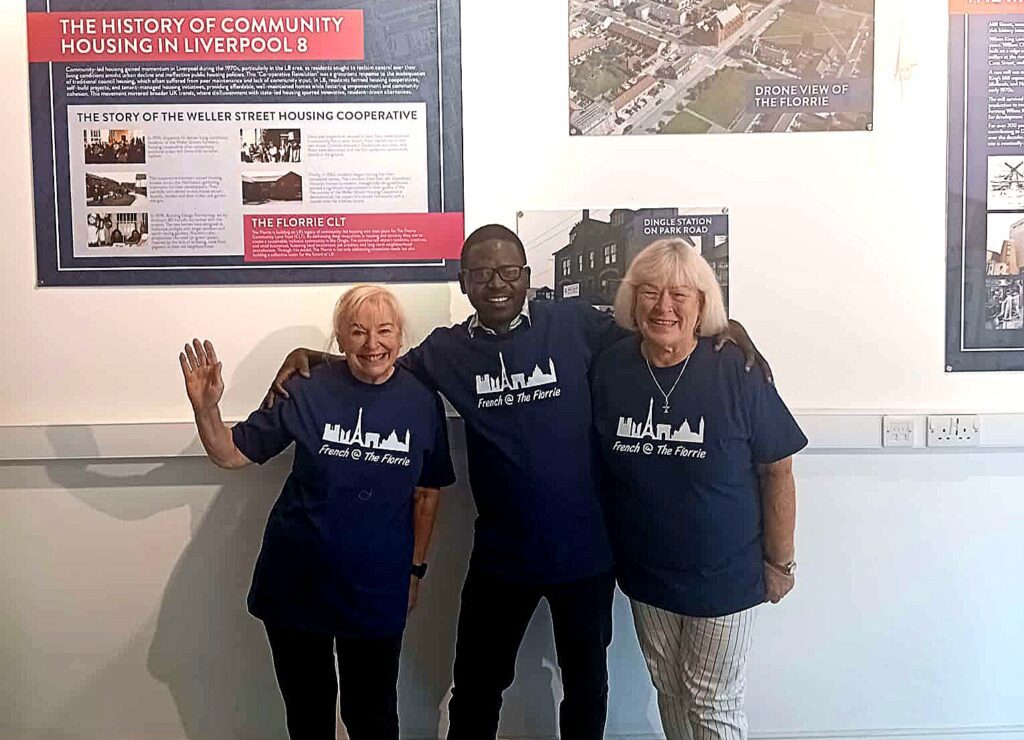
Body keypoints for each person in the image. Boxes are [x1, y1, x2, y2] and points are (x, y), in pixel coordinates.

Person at [179, 285, 455, 740]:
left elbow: (427, 492)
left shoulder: (422, 404)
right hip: (295, 584)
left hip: (376, 588)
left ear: (400, 337)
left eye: (384, 331)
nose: (372, 344)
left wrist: (415, 571)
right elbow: (230, 454)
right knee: (308, 717)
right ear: (340, 339)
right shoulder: (306, 388)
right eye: (358, 332)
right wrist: (206, 410)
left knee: (373, 717)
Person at [590, 239, 806, 740]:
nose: (663, 306)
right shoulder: (612, 366)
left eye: (680, 294)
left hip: (723, 575)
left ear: (704, 304)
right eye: (649, 292)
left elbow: (778, 469)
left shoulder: (737, 368)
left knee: (713, 703)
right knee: (671, 691)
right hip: (647, 574)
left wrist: (781, 562)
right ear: (632, 299)